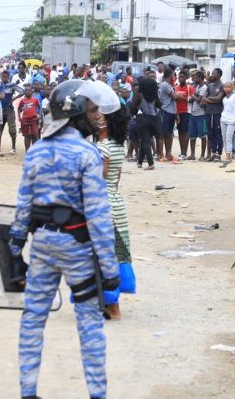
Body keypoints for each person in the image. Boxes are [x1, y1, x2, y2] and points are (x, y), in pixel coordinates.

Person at [8, 79, 119, 399]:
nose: (97, 115)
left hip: (42, 245)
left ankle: (28, 391)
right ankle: (97, 393)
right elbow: (98, 216)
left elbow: (23, 206)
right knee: (89, 326)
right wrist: (110, 269)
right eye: (93, 109)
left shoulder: (37, 152)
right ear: (77, 113)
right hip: (78, 249)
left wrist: (15, 247)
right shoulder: (89, 154)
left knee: (33, 319)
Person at [96, 106, 133, 320]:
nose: (97, 120)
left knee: (102, 254)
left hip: (102, 203)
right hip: (116, 202)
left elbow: (99, 175)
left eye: (101, 118)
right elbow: (115, 178)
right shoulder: (117, 146)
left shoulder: (102, 148)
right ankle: (112, 304)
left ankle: (112, 305)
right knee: (116, 252)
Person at [133, 75, 161, 170]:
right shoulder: (155, 94)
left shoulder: (139, 94)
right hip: (154, 119)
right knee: (146, 140)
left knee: (145, 141)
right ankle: (140, 162)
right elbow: (159, 105)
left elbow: (133, 107)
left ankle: (150, 163)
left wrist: (135, 113)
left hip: (142, 118)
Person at [203, 68, 224, 162]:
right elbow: (204, 97)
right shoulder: (210, 85)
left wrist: (208, 99)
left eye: (213, 73)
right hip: (208, 112)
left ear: (219, 75)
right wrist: (211, 99)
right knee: (210, 133)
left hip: (217, 113)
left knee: (218, 133)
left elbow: (218, 99)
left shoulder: (222, 86)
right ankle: (213, 153)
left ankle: (219, 154)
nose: (211, 75)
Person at [188, 71, 209, 160]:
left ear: (200, 78)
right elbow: (194, 99)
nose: (194, 79)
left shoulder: (204, 88)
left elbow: (200, 101)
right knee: (192, 135)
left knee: (203, 135)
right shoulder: (196, 87)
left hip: (201, 114)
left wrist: (194, 96)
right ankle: (192, 155)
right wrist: (194, 97)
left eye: (195, 77)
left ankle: (202, 155)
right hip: (193, 113)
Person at [220, 82, 235, 166]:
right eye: (225, 87)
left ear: (232, 88)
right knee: (224, 138)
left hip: (232, 120)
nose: (227, 88)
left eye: (228, 87)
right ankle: (227, 155)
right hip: (223, 119)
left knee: (229, 138)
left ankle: (229, 156)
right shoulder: (224, 98)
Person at [0, 69, 21, 155]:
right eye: (3, 77)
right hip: (0, 109)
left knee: (12, 129)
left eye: (6, 77)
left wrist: (14, 98)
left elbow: (22, 91)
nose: (4, 78)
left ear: (8, 77)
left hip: (9, 109)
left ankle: (13, 147)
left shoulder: (11, 85)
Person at [175, 70, 193, 159]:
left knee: (186, 132)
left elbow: (192, 100)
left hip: (186, 112)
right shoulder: (177, 88)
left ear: (186, 78)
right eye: (179, 77)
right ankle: (182, 152)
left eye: (182, 77)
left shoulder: (189, 88)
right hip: (178, 112)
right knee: (180, 132)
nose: (180, 79)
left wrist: (181, 97)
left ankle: (185, 153)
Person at [18, 84, 40, 153]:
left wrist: (38, 115)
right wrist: (19, 117)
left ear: (32, 91)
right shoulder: (22, 100)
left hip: (33, 119)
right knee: (26, 136)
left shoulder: (35, 100)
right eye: (26, 90)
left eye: (29, 90)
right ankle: (27, 151)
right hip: (25, 120)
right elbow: (19, 109)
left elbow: (39, 107)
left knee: (35, 135)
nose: (27, 91)